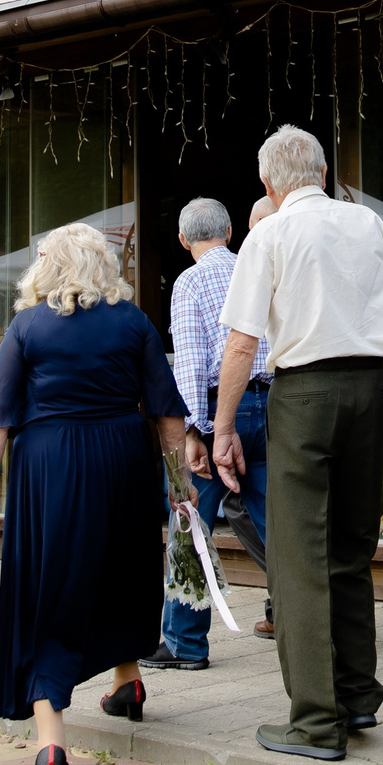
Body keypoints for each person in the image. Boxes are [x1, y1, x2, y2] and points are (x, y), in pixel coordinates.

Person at [206, 125, 383, 762]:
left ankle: (316, 723)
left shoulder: (268, 233)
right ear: (322, 172)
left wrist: (221, 428)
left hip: (304, 394)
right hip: (366, 385)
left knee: (297, 561)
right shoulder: (368, 225)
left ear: (269, 183)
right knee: (351, 547)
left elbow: (241, 344)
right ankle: (356, 697)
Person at [0, 224, 188, 765]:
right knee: (120, 565)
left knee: (51, 582)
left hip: (51, 466)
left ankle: (50, 743)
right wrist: (178, 484)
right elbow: (166, 413)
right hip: (123, 458)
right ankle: (128, 682)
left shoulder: (27, 326)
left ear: (52, 268)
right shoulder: (133, 322)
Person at [149, 197, 270, 673]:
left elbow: (193, 365)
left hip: (222, 412)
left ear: (183, 240)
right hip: (272, 404)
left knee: (188, 519)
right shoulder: (256, 268)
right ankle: (302, 621)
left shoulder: (190, 281)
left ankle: (184, 643)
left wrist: (195, 431)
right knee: (278, 521)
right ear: (230, 232)